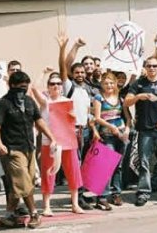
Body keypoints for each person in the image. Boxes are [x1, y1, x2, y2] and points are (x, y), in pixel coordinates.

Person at [0, 71, 56, 229]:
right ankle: (34, 213)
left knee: (22, 183)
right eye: (20, 87)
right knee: (24, 182)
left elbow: (38, 121)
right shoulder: (2, 104)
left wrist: (51, 137)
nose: (23, 89)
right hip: (12, 150)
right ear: (11, 85)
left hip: (29, 148)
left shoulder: (29, 101)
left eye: (25, 87)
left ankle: (8, 216)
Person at [124, 56, 157, 206]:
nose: (152, 68)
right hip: (145, 130)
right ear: (145, 68)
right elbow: (127, 102)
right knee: (144, 162)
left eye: (155, 66)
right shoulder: (138, 84)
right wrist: (138, 97)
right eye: (149, 66)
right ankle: (143, 192)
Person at [31, 70, 84, 215]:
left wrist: (72, 117)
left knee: (73, 171)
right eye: (52, 83)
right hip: (50, 142)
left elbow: (76, 121)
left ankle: (75, 203)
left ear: (62, 86)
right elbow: (33, 88)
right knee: (48, 172)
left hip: (67, 140)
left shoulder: (67, 101)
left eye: (58, 83)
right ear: (48, 86)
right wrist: (42, 72)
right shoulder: (45, 101)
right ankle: (47, 206)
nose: (55, 86)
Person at [57, 33, 96, 210]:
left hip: (86, 130)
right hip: (73, 132)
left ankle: (82, 195)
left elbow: (87, 113)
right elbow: (63, 66)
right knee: (76, 165)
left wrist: (93, 129)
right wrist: (65, 47)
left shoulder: (86, 91)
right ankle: (77, 197)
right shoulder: (69, 87)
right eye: (77, 72)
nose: (80, 74)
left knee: (85, 165)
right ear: (72, 74)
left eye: (82, 72)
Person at [93, 72, 131, 209]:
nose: (109, 85)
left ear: (115, 84)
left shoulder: (120, 98)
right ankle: (102, 197)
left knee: (118, 166)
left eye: (111, 83)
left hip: (121, 134)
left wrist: (127, 129)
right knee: (106, 165)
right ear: (102, 85)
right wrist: (111, 127)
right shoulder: (99, 98)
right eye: (106, 83)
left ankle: (116, 193)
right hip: (107, 135)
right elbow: (97, 118)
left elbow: (127, 117)